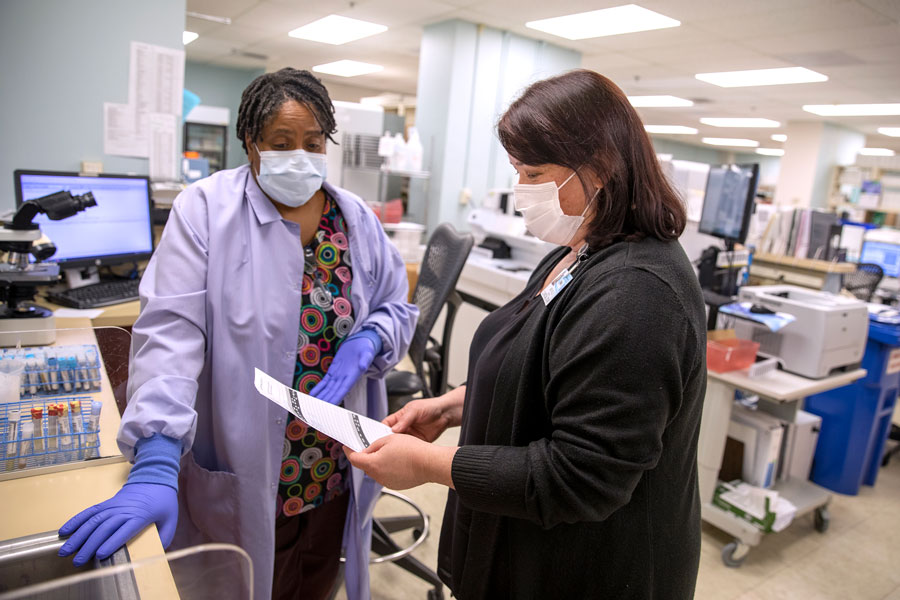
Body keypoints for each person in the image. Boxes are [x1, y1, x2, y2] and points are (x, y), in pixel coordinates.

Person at [57, 68, 418, 600]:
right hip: (246, 472)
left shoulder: (355, 219)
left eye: (313, 143)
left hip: (334, 469)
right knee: (248, 583)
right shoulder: (204, 210)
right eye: (281, 142)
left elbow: (396, 306)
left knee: (315, 582)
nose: (300, 155)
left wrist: (370, 339)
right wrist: (156, 455)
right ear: (250, 144)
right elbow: (171, 335)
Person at [346, 69, 706, 599]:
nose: (521, 190)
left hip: (593, 571)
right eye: (517, 171)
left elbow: (579, 476)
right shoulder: (579, 251)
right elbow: (544, 371)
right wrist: (454, 406)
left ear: (602, 167)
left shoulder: (637, 295)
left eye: (534, 173)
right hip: (525, 549)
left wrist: (424, 464)